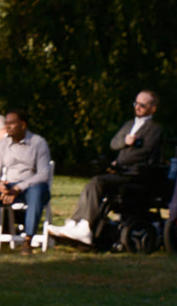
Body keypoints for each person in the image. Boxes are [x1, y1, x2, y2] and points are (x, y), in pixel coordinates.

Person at [50, 91, 165, 246]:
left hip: (136, 174)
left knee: (97, 182)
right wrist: (125, 141)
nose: (137, 107)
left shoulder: (155, 129)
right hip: (121, 170)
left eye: (142, 105)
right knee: (94, 183)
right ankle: (76, 223)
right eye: (136, 103)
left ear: (153, 108)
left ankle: (85, 227)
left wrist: (119, 163)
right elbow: (114, 144)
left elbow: (145, 152)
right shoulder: (129, 125)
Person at [0, 109, 52, 248]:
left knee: (37, 192)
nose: (7, 127)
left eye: (12, 123)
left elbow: (43, 174)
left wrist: (19, 188)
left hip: (30, 186)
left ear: (23, 125)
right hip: (9, 185)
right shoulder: (2, 144)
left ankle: (28, 238)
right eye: (6, 123)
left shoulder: (38, 143)